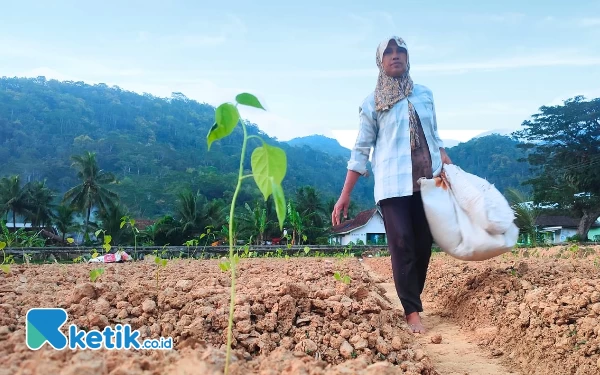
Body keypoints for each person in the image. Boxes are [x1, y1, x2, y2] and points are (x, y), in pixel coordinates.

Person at [331, 36, 452, 334]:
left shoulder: (424, 94)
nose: (395, 56)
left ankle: (412, 297)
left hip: (427, 182)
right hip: (392, 185)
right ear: (380, 61)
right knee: (402, 243)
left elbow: (435, 136)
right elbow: (361, 151)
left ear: (408, 58)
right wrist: (345, 195)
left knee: (424, 244)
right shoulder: (371, 103)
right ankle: (412, 311)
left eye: (401, 51)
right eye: (389, 52)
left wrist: (447, 164)